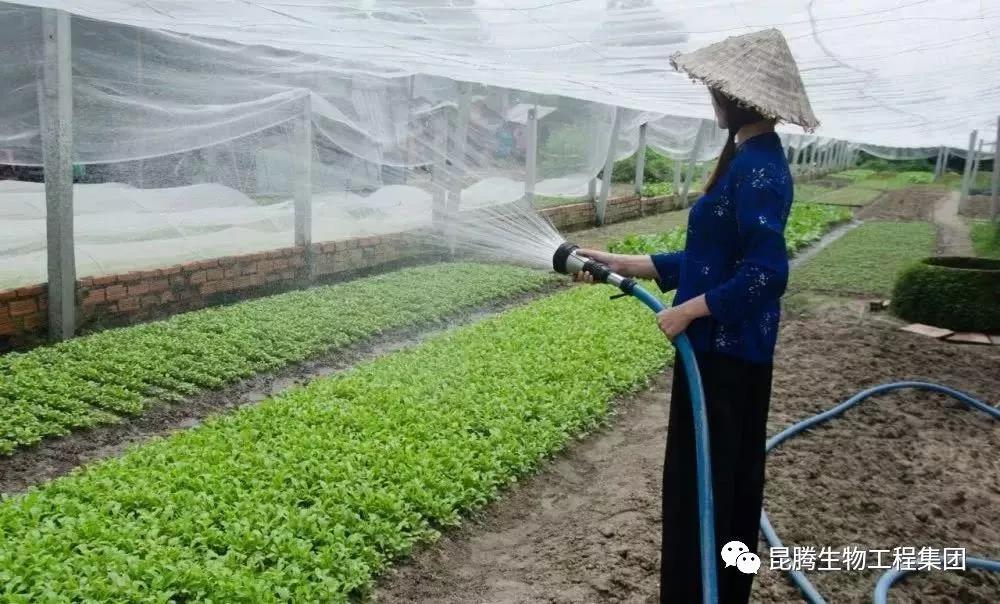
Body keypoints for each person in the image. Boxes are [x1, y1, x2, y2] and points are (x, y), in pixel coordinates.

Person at [575, 29, 818, 603]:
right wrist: (623, 263)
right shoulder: (746, 160)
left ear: (739, 98)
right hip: (717, 359)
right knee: (700, 491)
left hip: (727, 365)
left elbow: (766, 274)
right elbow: (710, 258)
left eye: (716, 89)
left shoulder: (759, 168)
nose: (711, 98)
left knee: (710, 493)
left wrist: (689, 311)